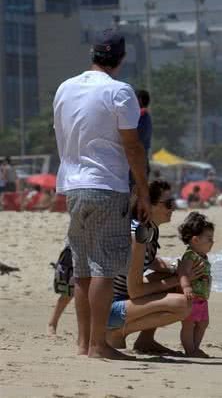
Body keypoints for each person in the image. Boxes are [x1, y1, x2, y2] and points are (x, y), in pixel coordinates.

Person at [53, 29, 151, 359]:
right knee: (104, 268)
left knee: (82, 268)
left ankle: (83, 344)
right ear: (121, 59)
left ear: (93, 54)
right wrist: (144, 190)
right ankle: (99, 345)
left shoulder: (65, 88)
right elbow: (133, 147)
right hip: (107, 185)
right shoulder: (120, 92)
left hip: (74, 185)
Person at [107, 180, 204, 354]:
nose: (172, 208)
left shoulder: (150, 230)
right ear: (148, 205)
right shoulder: (138, 234)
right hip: (110, 309)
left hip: (122, 300)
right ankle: (117, 332)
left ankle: (146, 340)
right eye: (168, 204)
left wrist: (177, 268)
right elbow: (135, 291)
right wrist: (178, 278)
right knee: (183, 304)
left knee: (177, 283)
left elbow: (149, 261)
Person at [177, 212, 214, 357]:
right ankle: (190, 349)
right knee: (188, 324)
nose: (212, 242)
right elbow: (183, 273)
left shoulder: (203, 256)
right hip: (191, 296)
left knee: (203, 323)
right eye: (209, 239)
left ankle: (195, 347)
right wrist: (186, 287)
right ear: (196, 240)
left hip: (202, 297)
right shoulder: (190, 256)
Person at [129, 89, 152, 190]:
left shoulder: (140, 116)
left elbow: (131, 138)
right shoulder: (143, 116)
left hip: (136, 164)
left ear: (140, 100)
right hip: (139, 163)